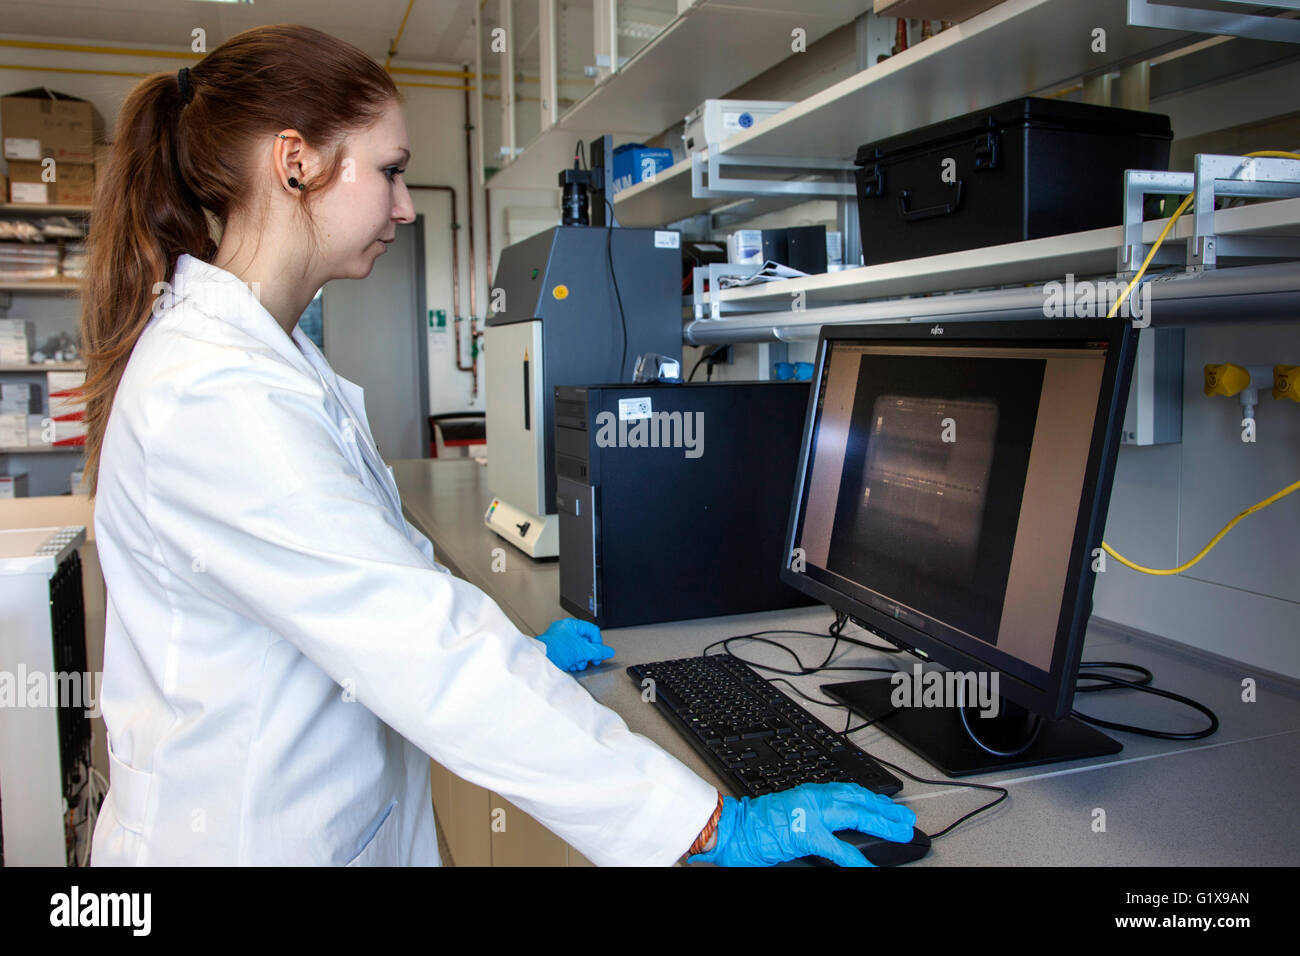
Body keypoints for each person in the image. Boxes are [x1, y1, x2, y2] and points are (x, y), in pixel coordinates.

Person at [83, 24, 915, 867]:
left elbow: (381, 585)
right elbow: (417, 645)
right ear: (295, 160)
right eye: (391, 171)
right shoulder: (216, 393)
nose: (405, 207)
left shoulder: (264, 361)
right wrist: (707, 826)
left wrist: (517, 654)